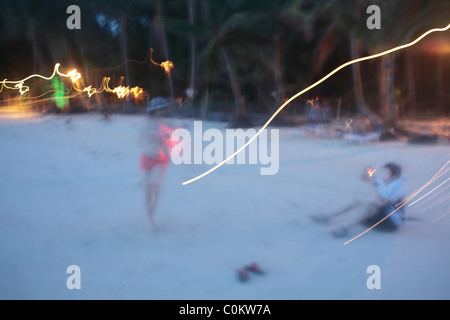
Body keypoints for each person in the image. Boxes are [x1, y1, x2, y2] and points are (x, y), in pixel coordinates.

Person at [310, 162, 406, 238]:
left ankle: (345, 228)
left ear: (394, 176)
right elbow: (364, 178)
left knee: (369, 205)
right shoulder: (382, 180)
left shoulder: (398, 188)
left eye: (386, 173)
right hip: (378, 216)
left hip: (389, 223)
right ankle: (326, 217)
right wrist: (367, 171)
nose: (383, 174)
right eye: (383, 171)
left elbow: (381, 204)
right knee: (357, 202)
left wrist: (368, 202)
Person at [140, 105, 174, 230]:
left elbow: (168, 143)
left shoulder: (165, 126)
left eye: (163, 110)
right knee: (147, 190)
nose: (162, 112)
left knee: (155, 185)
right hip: (147, 157)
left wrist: (167, 149)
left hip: (160, 160)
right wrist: (151, 138)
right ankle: (150, 219)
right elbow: (140, 140)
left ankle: (153, 207)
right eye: (160, 110)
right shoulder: (146, 124)